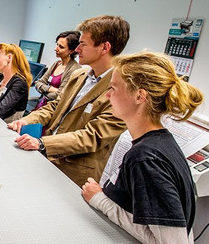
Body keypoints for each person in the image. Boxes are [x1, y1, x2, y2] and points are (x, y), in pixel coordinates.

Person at [82, 52, 202, 243]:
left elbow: (174, 241)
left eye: (113, 88)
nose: (107, 94)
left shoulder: (145, 158)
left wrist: (100, 200)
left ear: (139, 95)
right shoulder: (161, 143)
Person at [9, 15, 129, 187]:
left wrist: (43, 143)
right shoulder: (79, 75)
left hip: (73, 172)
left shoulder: (119, 90)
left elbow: (93, 136)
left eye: (83, 44)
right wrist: (25, 120)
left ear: (105, 47)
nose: (77, 49)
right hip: (46, 157)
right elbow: (56, 106)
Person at [34, 31, 82, 109]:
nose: (56, 49)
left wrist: (43, 90)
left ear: (72, 50)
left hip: (52, 110)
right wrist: (50, 89)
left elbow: (59, 96)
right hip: (41, 105)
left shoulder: (74, 70)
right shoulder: (56, 64)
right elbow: (37, 83)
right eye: (57, 45)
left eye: (61, 47)